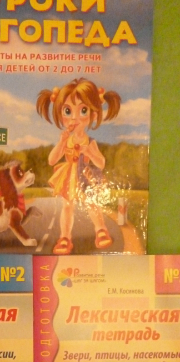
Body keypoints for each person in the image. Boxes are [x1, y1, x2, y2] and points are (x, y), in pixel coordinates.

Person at [36, 78, 121, 255]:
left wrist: (90, 153)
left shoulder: (90, 142)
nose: (74, 117)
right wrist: (61, 143)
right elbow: (52, 160)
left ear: (93, 115)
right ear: (61, 114)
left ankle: (101, 230)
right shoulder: (66, 139)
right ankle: (65, 237)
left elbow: (101, 163)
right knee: (67, 206)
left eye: (83, 110)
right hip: (69, 176)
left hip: (86, 175)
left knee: (92, 203)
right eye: (68, 111)